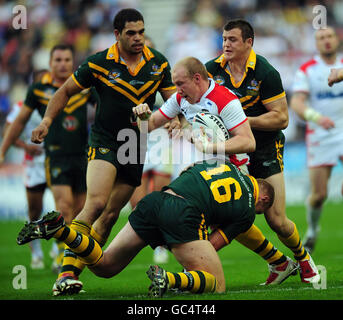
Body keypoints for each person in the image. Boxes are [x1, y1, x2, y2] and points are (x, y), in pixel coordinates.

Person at [29, 8, 177, 296]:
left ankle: (73, 273)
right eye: (131, 33)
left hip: (135, 144)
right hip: (105, 139)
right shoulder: (98, 63)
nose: (138, 38)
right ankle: (66, 273)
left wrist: (177, 121)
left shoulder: (159, 63)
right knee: (95, 205)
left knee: (110, 216)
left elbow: (174, 102)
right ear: (117, 34)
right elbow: (64, 92)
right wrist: (47, 120)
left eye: (141, 32)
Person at [133, 56, 300, 285]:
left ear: (197, 78)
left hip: (233, 170)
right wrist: (142, 116)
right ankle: (279, 262)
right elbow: (149, 125)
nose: (177, 90)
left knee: (203, 222)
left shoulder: (224, 100)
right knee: (230, 225)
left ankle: (188, 276)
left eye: (181, 83)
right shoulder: (181, 98)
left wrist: (211, 148)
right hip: (206, 170)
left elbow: (249, 142)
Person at [17, 159, 278, 297]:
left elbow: (188, 170)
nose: (258, 213)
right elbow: (212, 244)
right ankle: (169, 279)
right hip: (184, 214)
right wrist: (183, 239)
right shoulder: (246, 212)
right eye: (262, 210)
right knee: (216, 284)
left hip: (154, 201)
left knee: (105, 266)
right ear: (263, 200)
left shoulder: (222, 165)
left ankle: (61, 230)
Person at [205, 19, 319, 284]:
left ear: (249, 43)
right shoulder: (212, 70)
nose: (226, 45)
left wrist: (242, 121)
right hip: (232, 152)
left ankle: (302, 257)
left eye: (232, 40)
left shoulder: (265, 72)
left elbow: (282, 119)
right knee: (233, 214)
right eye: (224, 39)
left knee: (277, 219)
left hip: (266, 148)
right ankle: (278, 263)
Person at [0, 45, 94, 273]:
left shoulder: (85, 89)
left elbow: (106, 109)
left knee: (82, 215)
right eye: (58, 60)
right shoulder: (39, 90)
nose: (62, 64)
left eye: (66, 59)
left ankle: (67, 256)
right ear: (50, 63)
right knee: (65, 208)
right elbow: (19, 121)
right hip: (56, 157)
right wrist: (3, 151)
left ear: (73, 62)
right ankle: (63, 260)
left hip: (83, 158)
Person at [290, 27, 343, 253]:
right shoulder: (307, 70)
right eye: (321, 38)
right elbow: (297, 103)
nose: (326, 41)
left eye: (330, 36)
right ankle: (312, 231)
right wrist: (315, 117)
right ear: (316, 43)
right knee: (319, 195)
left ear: (337, 39)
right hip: (321, 133)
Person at [128, 36, 173, 264]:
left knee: (163, 195)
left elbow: (177, 102)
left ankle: (163, 243)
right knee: (137, 204)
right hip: (133, 142)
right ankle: (155, 239)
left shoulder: (162, 72)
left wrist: (177, 121)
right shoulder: (124, 75)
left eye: (149, 48)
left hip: (160, 140)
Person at [2, 70, 48, 269]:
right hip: (33, 164)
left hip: (55, 161)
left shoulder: (60, 104)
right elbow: (8, 132)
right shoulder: (22, 107)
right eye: (41, 83)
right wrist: (26, 146)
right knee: (35, 211)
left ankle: (59, 250)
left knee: (65, 207)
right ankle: (36, 252)